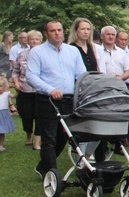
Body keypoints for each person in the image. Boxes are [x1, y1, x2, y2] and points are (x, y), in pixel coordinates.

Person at [27, 20, 87, 177]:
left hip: (68, 99)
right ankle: (52, 174)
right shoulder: (37, 52)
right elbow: (31, 76)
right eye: (52, 31)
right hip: (47, 100)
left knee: (64, 136)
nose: (57, 33)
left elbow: (81, 74)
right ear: (46, 34)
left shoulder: (72, 51)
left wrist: (82, 90)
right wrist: (50, 89)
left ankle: (43, 165)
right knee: (49, 138)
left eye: (59, 30)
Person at [11, 30, 42, 149]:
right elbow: (15, 72)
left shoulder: (44, 55)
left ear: (40, 40)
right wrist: (16, 82)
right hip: (25, 90)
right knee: (27, 116)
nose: (34, 41)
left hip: (40, 91)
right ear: (28, 41)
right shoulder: (22, 55)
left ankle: (37, 140)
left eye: (36, 39)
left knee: (40, 116)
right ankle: (28, 135)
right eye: (31, 39)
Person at [0, 75, 16, 150]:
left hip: (3, 114)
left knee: (2, 131)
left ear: (4, 87)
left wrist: (18, 91)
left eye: (0, 86)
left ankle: (1, 145)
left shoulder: (6, 94)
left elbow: (13, 96)